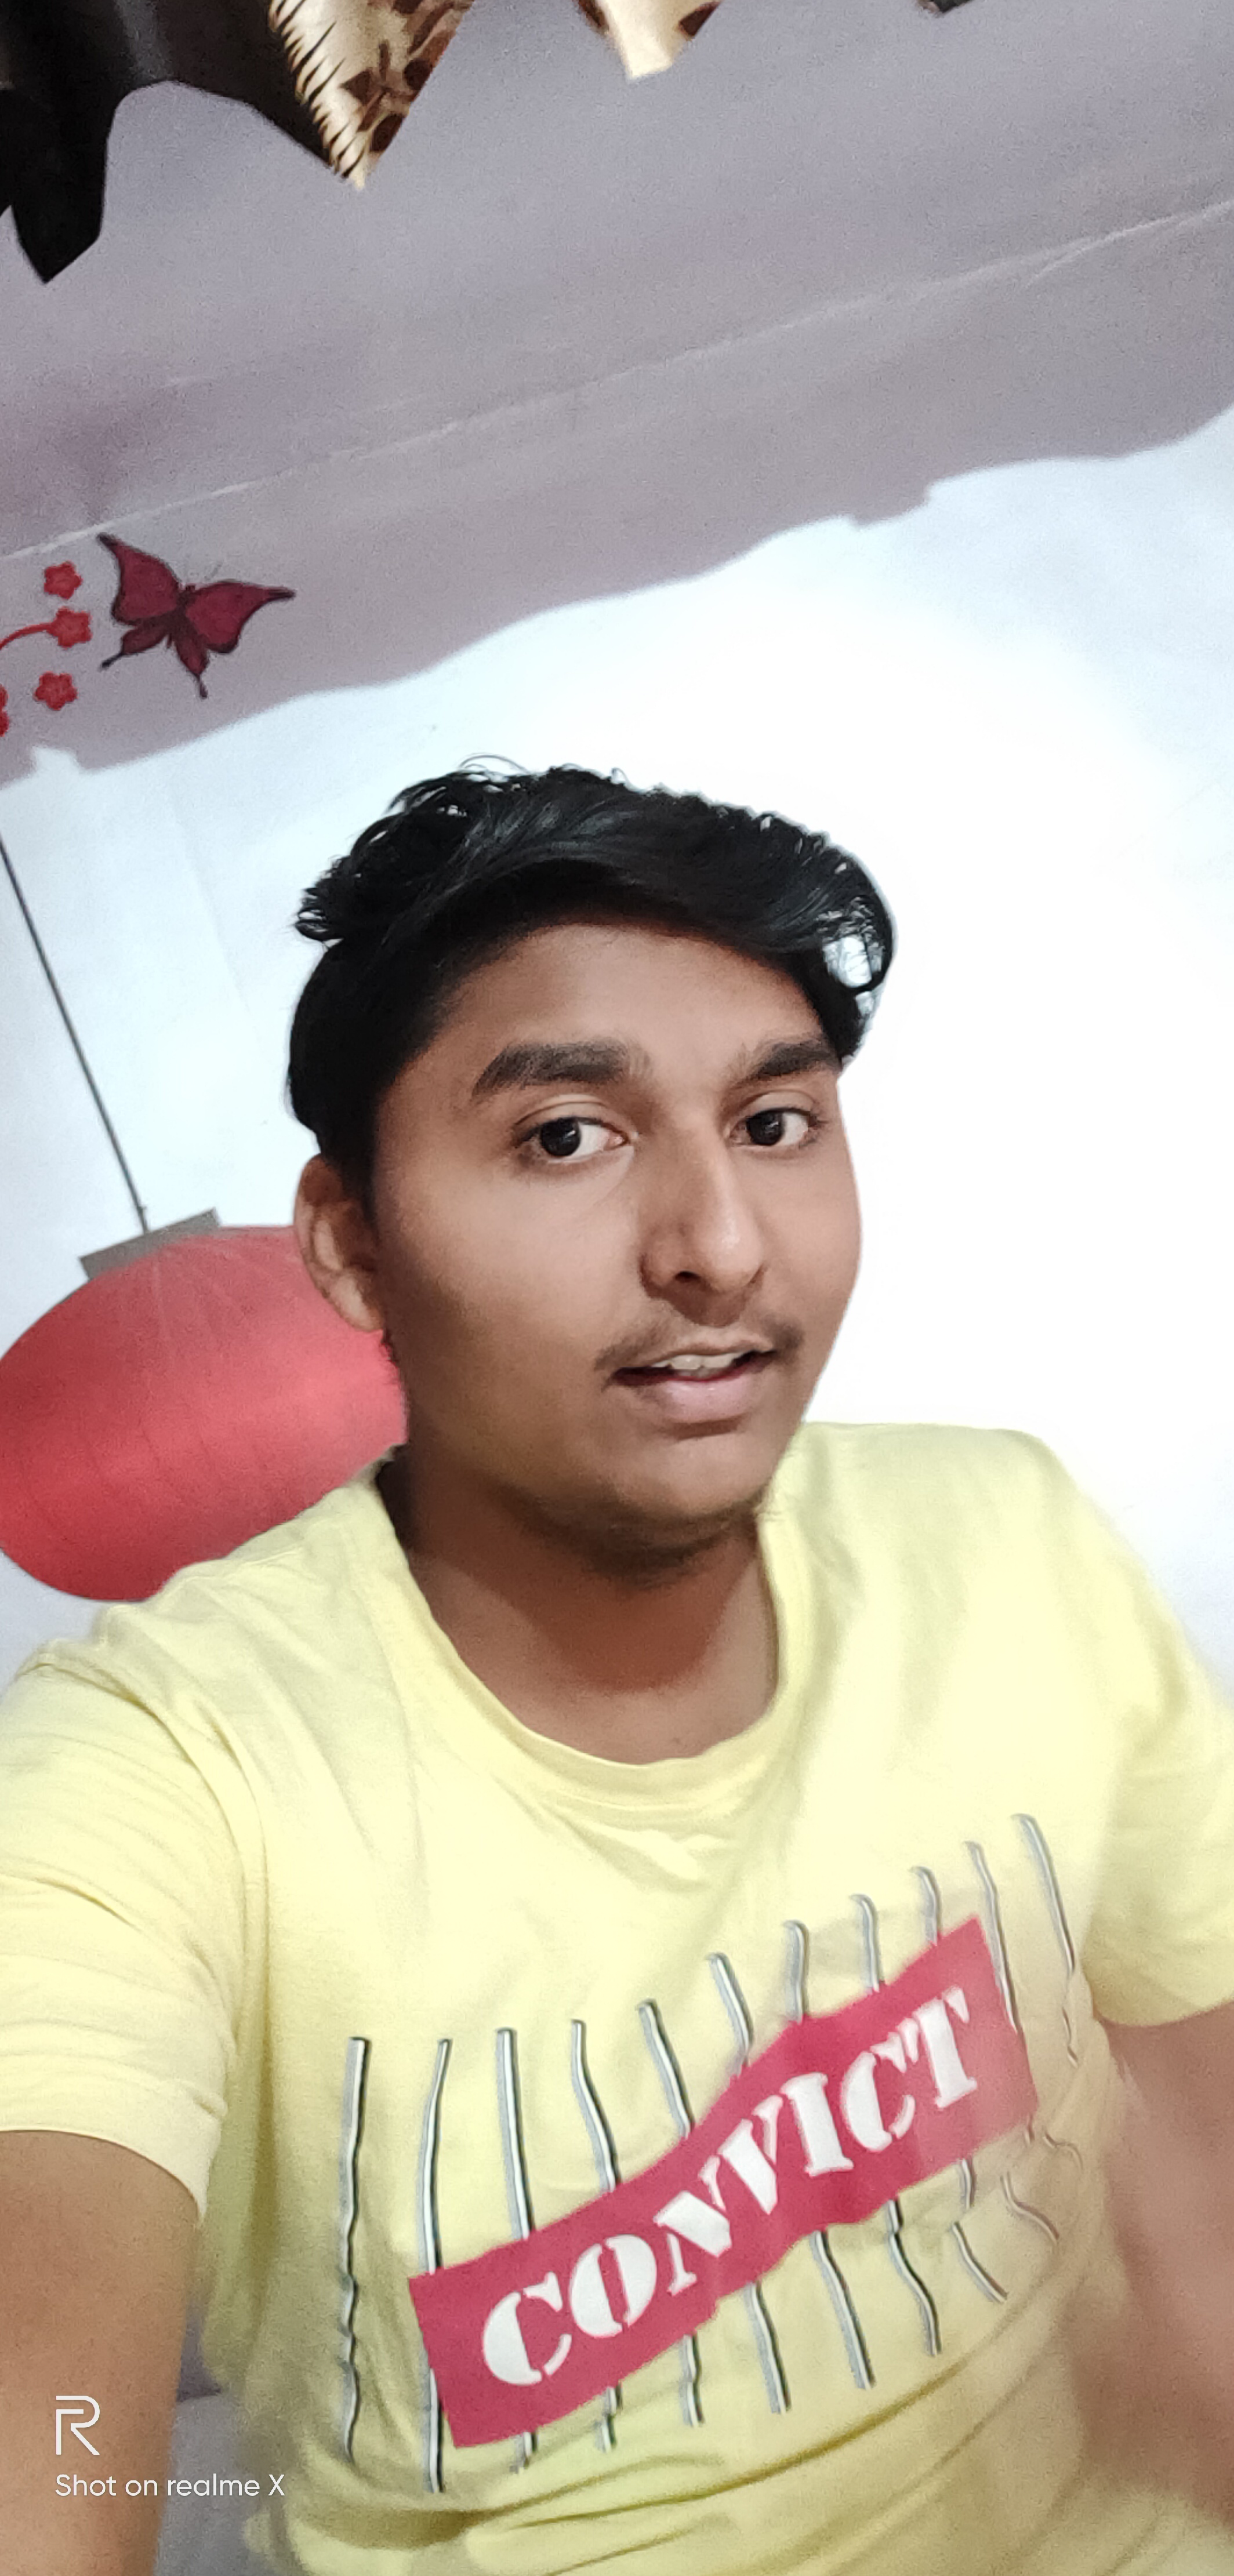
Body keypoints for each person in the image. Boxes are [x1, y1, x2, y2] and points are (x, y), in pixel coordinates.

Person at [2, 761, 1234, 2576]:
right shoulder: (157, 1766)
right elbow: (48, 2416)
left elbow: (1205, 2080)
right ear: (351, 1243)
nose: (721, 1248)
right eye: (568, 1137)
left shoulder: (1006, 1538)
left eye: (776, 1122)